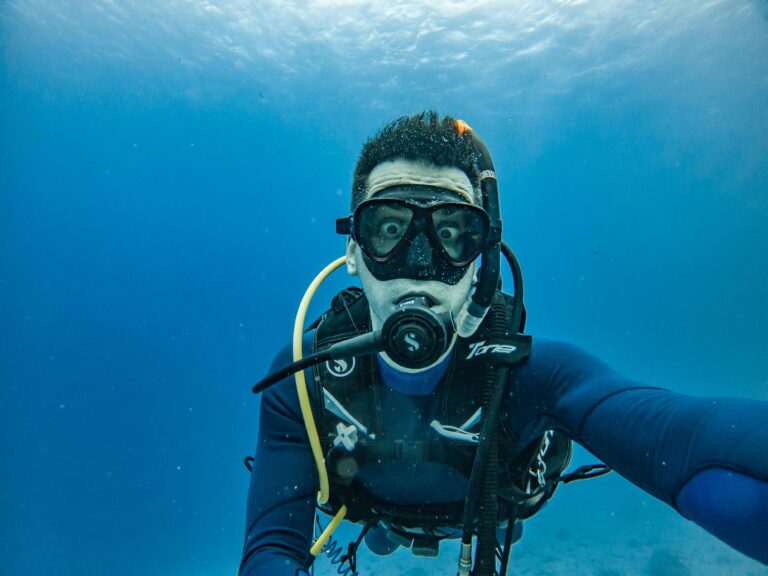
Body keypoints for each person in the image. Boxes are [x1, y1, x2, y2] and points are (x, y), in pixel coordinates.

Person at [240, 111, 768, 576]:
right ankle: (391, 533)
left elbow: (683, 438)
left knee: (502, 528)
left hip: (492, 507)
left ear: (481, 261)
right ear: (354, 251)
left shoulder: (533, 373)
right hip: (372, 505)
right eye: (389, 229)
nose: (420, 266)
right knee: (382, 536)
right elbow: (271, 549)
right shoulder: (302, 378)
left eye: (452, 234)